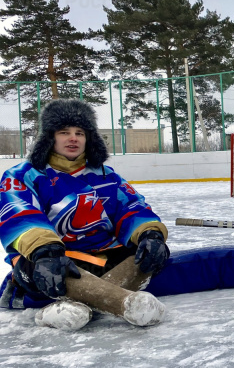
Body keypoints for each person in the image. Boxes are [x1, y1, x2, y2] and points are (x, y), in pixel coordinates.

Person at [0, 99, 169, 330]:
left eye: (80, 132)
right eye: (64, 132)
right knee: (40, 262)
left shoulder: (106, 176)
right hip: (53, 261)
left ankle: (71, 309)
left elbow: (131, 208)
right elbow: (19, 214)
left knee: (147, 253)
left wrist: (149, 233)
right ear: (50, 136)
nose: (73, 138)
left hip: (104, 257)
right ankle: (125, 304)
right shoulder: (22, 175)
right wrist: (45, 251)